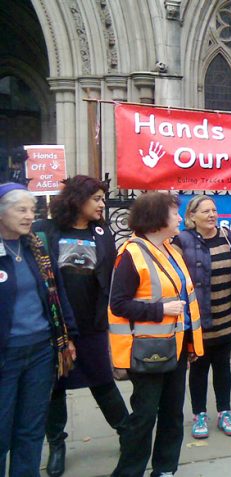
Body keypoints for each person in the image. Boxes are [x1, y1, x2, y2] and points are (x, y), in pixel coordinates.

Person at [33, 176, 129, 477]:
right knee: (55, 388)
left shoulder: (101, 232)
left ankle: (127, 433)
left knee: (102, 380)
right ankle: (57, 444)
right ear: (77, 200)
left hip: (91, 324)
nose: (102, 204)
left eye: (104, 198)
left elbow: (108, 278)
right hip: (57, 327)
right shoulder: (46, 230)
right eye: (97, 199)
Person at [109, 192, 204, 477]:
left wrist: (188, 345)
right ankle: (129, 472)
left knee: (173, 413)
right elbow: (118, 304)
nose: (179, 218)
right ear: (156, 219)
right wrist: (160, 309)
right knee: (144, 416)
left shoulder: (172, 249)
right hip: (147, 350)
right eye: (174, 213)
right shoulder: (131, 253)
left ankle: (165, 469)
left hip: (175, 348)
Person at [0, 183, 77, 477]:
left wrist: (68, 335)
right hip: (6, 355)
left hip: (41, 353)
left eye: (32, 210)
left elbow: (57, 293)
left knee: (31, 430)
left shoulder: (36, 247)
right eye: (21, 209)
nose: (29, 216)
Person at [173, 195, 231, 439]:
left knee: (223, 367)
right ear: (192, 216)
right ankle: (199, 414)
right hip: (199, 319)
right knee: (199, 368)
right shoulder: (182, 240)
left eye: (214, 210)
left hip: (226, 316)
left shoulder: (228, 237)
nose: (212, 215)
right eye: (205, 211)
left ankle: (224, 411)